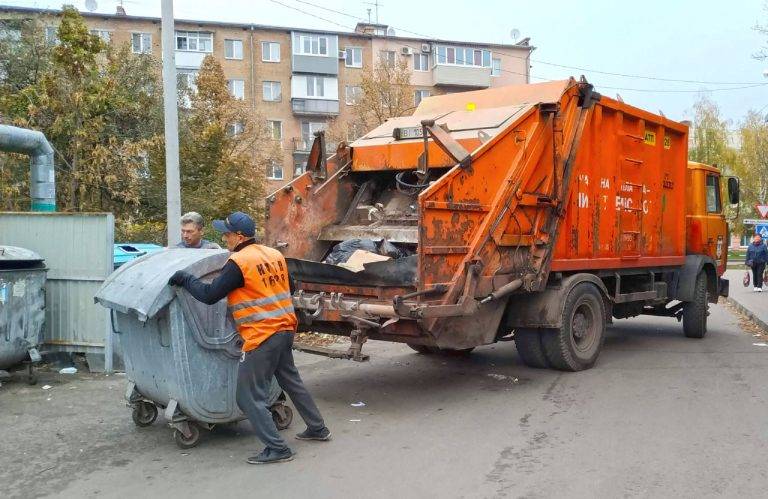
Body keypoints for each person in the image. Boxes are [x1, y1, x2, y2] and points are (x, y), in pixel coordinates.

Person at [168, 211, 330, 464]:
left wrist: (186, 278)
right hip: (285, 329)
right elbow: (290, 288)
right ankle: (317, 428)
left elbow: (210, 295)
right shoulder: (274, 254)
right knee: (291, 380)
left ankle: (278, 448)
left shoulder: (239, 261)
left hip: (262, 336)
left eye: (227, 233)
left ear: (239, 236)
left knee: (247, 396)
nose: (225, 237)